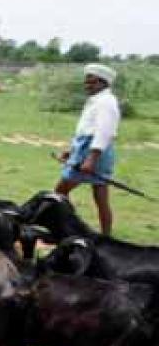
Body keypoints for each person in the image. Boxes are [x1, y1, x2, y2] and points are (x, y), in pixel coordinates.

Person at [55, 63, 121, 235]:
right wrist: (71, 151)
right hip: (86, 148)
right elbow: (85, 129)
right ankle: (106, 235)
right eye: (86, 82)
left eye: (91, 82)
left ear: (103, 82)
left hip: (93, 150)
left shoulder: (106, 102)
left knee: (60, 191)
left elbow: (103, 132)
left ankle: (69, 228)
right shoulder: (97, 100)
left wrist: (91, 158)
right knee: (100, 196)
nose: (87, 85)